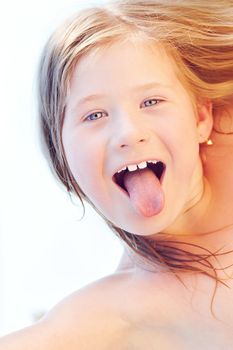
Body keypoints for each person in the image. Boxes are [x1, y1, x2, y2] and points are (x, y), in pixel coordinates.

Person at [1, 0, 233, 348]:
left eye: (151, 102)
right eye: (94, 116)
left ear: (201, 119)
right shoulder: (114, 307)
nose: (127, 134)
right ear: (61, 151)